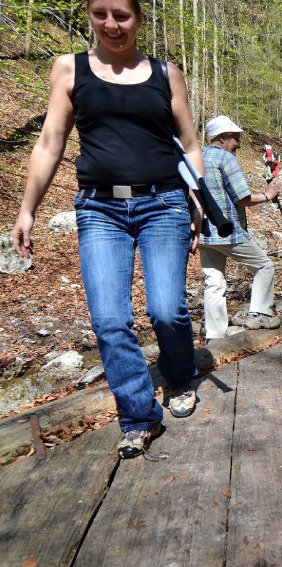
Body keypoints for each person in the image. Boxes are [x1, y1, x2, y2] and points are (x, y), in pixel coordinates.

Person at [12, 0, 203, 460]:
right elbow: (49, 142)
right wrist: (27, 209)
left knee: (166, 309)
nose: (112, 25)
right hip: (99, 210)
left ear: (139, 18)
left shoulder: (165, 74)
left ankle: (179, 373)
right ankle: (138, 416)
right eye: (101, 14)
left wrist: (196, 199)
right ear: (89, 16)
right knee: (110, 319)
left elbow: (192, 146)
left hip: (163, 202)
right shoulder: (69, 70)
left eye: (122, 15)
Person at [199, 115, 280, 340]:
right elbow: (242, 198)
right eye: (235, 138)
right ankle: (260, 313)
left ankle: (215, 335)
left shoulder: (197, 157)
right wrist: (267, 195)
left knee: (214, 282)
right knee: (264, 266)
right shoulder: (225, 158)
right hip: (227, 231)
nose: (238, 143)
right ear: (223, 137)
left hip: (204, 232)